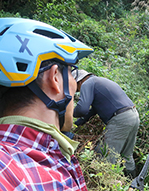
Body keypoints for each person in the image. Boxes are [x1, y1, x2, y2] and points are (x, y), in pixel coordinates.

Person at [0, 18, 93, 190]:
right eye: (72, 72)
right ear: (55, 77)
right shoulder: (5, 169)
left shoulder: (49, 156)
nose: (76, 89)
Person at [72, 69, 140, 178]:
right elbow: (92, 110)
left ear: (79, 82)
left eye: (76, 88)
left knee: (105, 155)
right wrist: (78, 123)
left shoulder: (87, 84)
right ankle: (132, 184)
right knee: (126, 155)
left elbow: (82, 109)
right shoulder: (98, 81)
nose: (78, 91)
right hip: (133, 115)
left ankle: (109, 183)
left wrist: (68, 112)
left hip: (120, 119)